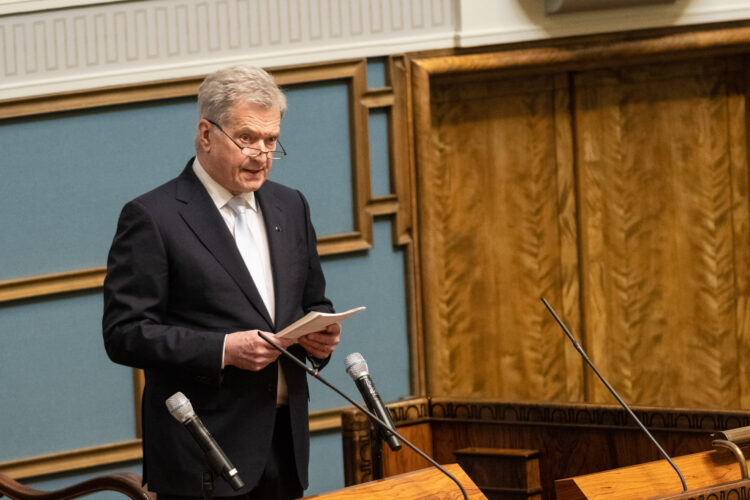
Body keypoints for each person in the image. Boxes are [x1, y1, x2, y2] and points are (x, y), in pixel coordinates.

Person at [102, 64, 341, 500]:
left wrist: (319, 337)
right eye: (246, 138)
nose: (261, 155)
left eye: (271, 141)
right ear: (206, 134)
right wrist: (224, 350)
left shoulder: (290, 205)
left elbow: (313, 302)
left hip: (284, 446)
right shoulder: (153, 217)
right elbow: (124, 334)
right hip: (202, 454)